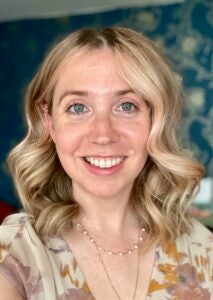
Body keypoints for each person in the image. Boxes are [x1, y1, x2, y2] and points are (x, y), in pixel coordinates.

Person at [0, 26, 212, 300]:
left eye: (126, 106)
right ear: (49, 122)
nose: (103, 134)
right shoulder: (14, 254)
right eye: (78, 107)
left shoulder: (202, 248)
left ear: (156, 120)